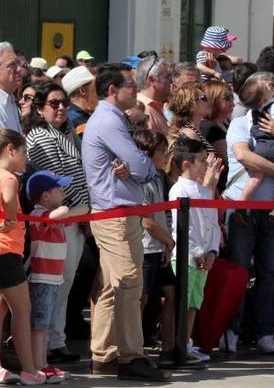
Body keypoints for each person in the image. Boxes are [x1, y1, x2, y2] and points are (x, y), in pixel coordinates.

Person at [81, 64, 168, 381]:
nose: (137, 88)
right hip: (115, 213)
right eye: (131, 84)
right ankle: (131, 356)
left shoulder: (112, 119)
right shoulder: (108, 121)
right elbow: (141, 164)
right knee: (129, 283)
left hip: (117, 212)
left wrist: (137, 166)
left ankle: (104, 355)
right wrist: (140, 166)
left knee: (111, 287)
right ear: (111, 91)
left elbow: (137, 164)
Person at [221, 73, 274, 354]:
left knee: (268, 272)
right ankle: (231, 329)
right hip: (242, 208)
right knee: (238, 269)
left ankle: (263, 332)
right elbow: (244, 155)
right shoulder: (240, 123)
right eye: (268, 87)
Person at [0, 129, 44, 385]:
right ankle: (29, 369)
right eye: (24, 151)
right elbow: (8, 200)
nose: (26, 157)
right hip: (4, 251)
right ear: (10, 150)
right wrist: (11, 216)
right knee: (22, 310)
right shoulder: (8, 178)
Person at [25, 170, 90, 383]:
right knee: (40, 324)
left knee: (45, 324)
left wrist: (70, 211)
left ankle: (43, 363)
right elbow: (59, 214)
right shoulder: (38, 214)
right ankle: (37, 365)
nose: (63, 193)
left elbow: (79, 211)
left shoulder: (56, 214)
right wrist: (68, 210)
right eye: (59, 189)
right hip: (41, 278)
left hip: (52, 278)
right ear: (45, 196)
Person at [168, 136, 222, 362]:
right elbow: (184, 228)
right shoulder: (179, 190)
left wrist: (212, 251)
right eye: (201, 161)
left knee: (193, 303)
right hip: (186, 257)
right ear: (187, 164)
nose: (206, 166)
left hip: (202, 259)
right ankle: (176, 344)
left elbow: (213, 223)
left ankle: (186, 342)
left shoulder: (204, 190)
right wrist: (199, 252)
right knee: (182, 301)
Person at [132, 130, 183, 365]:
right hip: (146, 247)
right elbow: (147, 221)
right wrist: (169, 241)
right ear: (146, 154)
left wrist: (166, 243)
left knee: (172, 294)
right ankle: (134, 349)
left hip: (159, 246)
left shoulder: (158, 178)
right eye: (162, 152)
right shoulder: (142, 181)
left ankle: (169, 348)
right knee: (140, 299)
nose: (166, 156)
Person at [235, 79, 274, 215]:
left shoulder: (253, 112)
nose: (269, 85)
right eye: (266, 87)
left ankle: (240, 207)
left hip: (261, 148)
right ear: (264, 99)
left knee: (255, 179)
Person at [200, 81, 235, 191]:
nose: (232, 101)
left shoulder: (226, 123)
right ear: (213, 100)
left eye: (232, 97)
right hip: (221, 186)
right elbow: (229, 160)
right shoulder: (209, 127)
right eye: (227, 97)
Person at [135, 56, 171, 136]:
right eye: (167, 77)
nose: (170, 81)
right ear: (152, 80)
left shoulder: (160, 106)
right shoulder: (142, 109)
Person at [61, 66, 96, 138]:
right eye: (94, 85)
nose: (97, 89)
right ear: (82, 90)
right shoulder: (75, 119)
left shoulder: (76, 113)